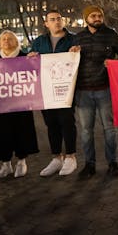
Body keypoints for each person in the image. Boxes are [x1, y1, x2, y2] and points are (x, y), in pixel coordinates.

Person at [70, 5, 118, 179]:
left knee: (109, 129)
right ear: (86, 18)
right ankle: (89, 164)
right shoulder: (78, 37)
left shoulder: (111, 34)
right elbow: (68, 63)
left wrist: (114, 62)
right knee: (86, 130)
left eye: (100, 15)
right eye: (93, 16)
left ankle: (112, 162)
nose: (97, 18)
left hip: (105, 89)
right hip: (83, 91)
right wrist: (71, 53)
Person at [28, 10, 78, 177]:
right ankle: (56, 157)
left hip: (66, 89)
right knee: (51, 124)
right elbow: (32, 65)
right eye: (52, 20)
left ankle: (71, 156)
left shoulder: (72, 39)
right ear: (46, 24)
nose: (56, 22)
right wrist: (31, 57)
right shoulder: (39, 42)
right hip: (46, 89)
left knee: (67, 121)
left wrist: (77, 52)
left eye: (59, 19)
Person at [0, 31, 39, 179]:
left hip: (21, 103)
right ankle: (6, 164)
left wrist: (34, 62)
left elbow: (35, 76)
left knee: (21, 130)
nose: (7, 41)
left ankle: (22, 161)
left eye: (10, 39)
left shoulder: (24, 57)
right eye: (3, 39)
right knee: (1, 132)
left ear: (16, 42)